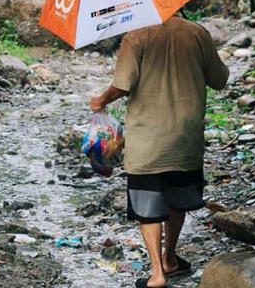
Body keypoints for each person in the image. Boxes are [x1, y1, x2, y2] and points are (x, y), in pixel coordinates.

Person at [89, 16, 229, 288]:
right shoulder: (197, 33)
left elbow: (123, 84)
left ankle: (156, 274)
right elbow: (219, 79)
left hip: (147, 137)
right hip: (185, 135)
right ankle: (169, 258)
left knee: (147, 204)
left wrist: (101, 100)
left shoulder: (136, 36)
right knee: (178, 197)